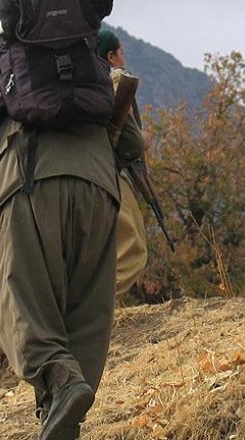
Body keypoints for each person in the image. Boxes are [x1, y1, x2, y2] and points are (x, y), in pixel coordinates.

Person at [0, 48, 119, 440]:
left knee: (21, 300)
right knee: (87, 312)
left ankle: (61, 381)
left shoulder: (0, 72)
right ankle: (62, 419)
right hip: (101, 192)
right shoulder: (96, 69)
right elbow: (131, 142)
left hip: (30, 184)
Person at [97, 29, 149, 297]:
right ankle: (92, 314)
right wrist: (142, 138)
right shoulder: (116, 79)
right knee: (132, 252)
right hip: (110, 172)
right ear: (111, 56)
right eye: (121, 52)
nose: (123, 57)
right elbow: (129, 141)